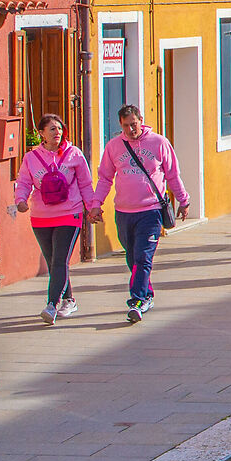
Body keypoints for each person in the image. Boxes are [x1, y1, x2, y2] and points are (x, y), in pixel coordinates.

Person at [93, 104, 190, 323]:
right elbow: (105, 178)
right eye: (126, 126)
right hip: (124, 212)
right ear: (120, 125)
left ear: (141, 120)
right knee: (132, 257)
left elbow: (173, 175)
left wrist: (184, 200)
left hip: (151, 211)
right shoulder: (113, 147)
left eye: (134, 124)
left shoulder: (159, 143)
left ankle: (136, 301)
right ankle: (147, 294)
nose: (130, 129)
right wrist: (95, 204)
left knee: (143, 256)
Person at [13, 115, 95, 324]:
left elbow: (85, 183)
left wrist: (92, 207)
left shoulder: (74, 154)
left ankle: (51, 304)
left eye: (59, 128)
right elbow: (23, 181)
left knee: (60, 260)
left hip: (70, 213)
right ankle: (69, 299)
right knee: (53, 262)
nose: (57, 132)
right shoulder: (31, 158)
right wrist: (20, 200)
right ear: (41, 133)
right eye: (51, 129)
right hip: (41, 216)